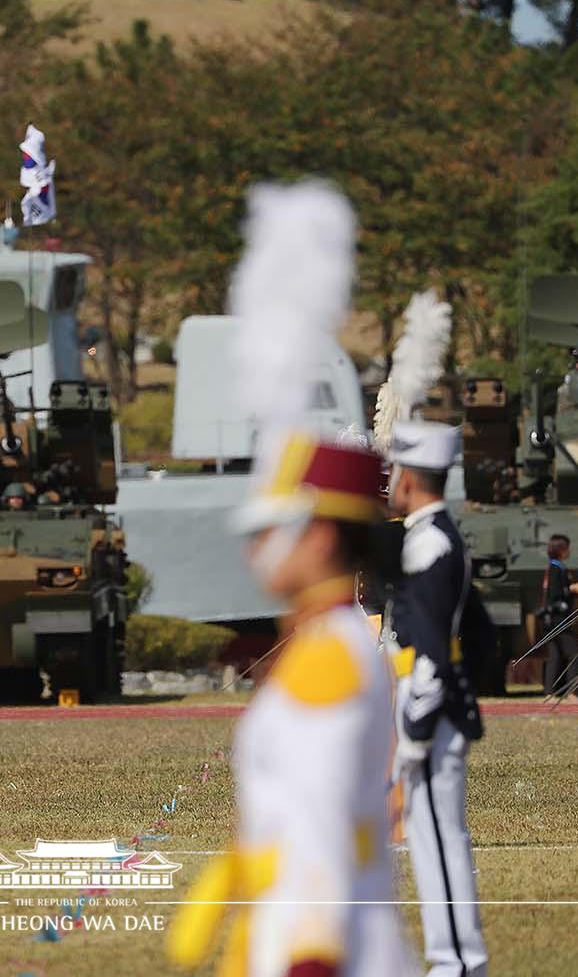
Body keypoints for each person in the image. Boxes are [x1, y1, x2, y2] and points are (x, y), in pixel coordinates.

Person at [167, 431, 411, 976]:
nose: (253, 549)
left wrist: (310, 958)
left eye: (268, 530)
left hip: (320, 948)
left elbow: (319, 832)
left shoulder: (326, 658)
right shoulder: (329, 640)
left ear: (320, 536)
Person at [383, 419, 488, 977]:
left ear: (409, 478)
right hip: (439, 706)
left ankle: (458, 963)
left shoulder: (428, 542)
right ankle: (453, 960)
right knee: (432, 838)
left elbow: (429, 650)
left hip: (433, 712)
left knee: (438, 842)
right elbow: (475, 635)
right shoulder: (439, 534)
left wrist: (416, 731)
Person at [540, 534, 578, 695]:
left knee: (555, 656)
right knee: (574, 653)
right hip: (557, 620)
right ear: (561, 550)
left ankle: (549, 691)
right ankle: (572, 691)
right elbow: (554, 595)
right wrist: (572, 589)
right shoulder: (556, 568)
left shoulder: (556, 567)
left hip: (554, 620)